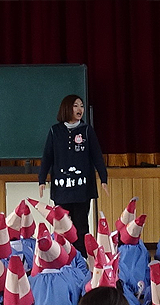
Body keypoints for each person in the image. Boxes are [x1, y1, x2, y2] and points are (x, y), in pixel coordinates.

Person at [38, 95, 108, 255]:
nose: (79, 110)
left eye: (81, 106)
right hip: (62, 191)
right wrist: (42, 179)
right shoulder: (55, 131)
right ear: (66, 108)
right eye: (75, 106)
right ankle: (64, 258)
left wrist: (103, 178)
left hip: (82, 191)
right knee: (63, 227)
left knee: (82, 226)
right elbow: (47, 157)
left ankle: (82, 260)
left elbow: (97, 156)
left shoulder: (86, 131)